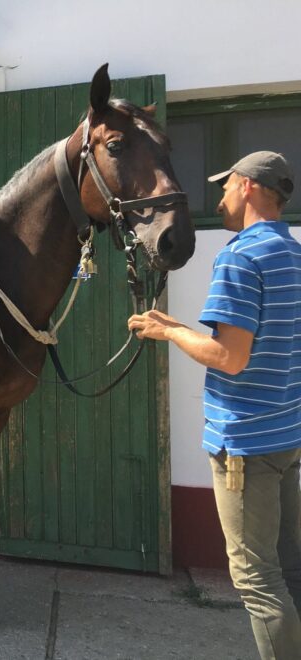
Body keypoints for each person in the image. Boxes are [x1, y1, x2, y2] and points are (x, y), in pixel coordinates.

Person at [128, 151, 301, 659]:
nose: (219, 196)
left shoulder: (239, 256)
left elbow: (229, 357)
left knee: (257, 581)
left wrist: (172, 334)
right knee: (289, 567)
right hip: (285, 437)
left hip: (244, 443)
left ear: (248, 187)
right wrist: (175, 327)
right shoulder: (290, 254)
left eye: (225, 186)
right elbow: (261, 343)